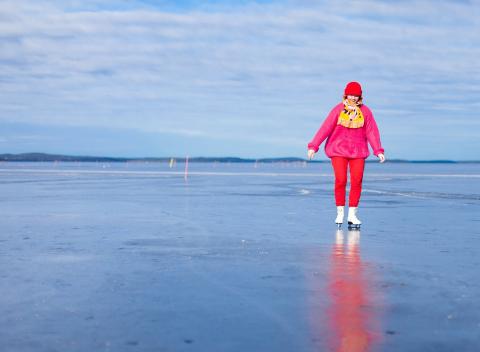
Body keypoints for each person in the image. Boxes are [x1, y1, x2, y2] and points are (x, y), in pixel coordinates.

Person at [307, 81, 385, 228]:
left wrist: (378, 150)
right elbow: (326, 127)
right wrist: (314, 146)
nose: (353, 97)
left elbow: (372, 132)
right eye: (351, 94)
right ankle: (340, 212)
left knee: (357, 180)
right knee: (341, 180)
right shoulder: (338, 110)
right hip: (338, 150)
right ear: (345, 94)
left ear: (360, 96)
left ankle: (352, 215)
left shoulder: (365, 112)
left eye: (356, 95)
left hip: (358, 151)